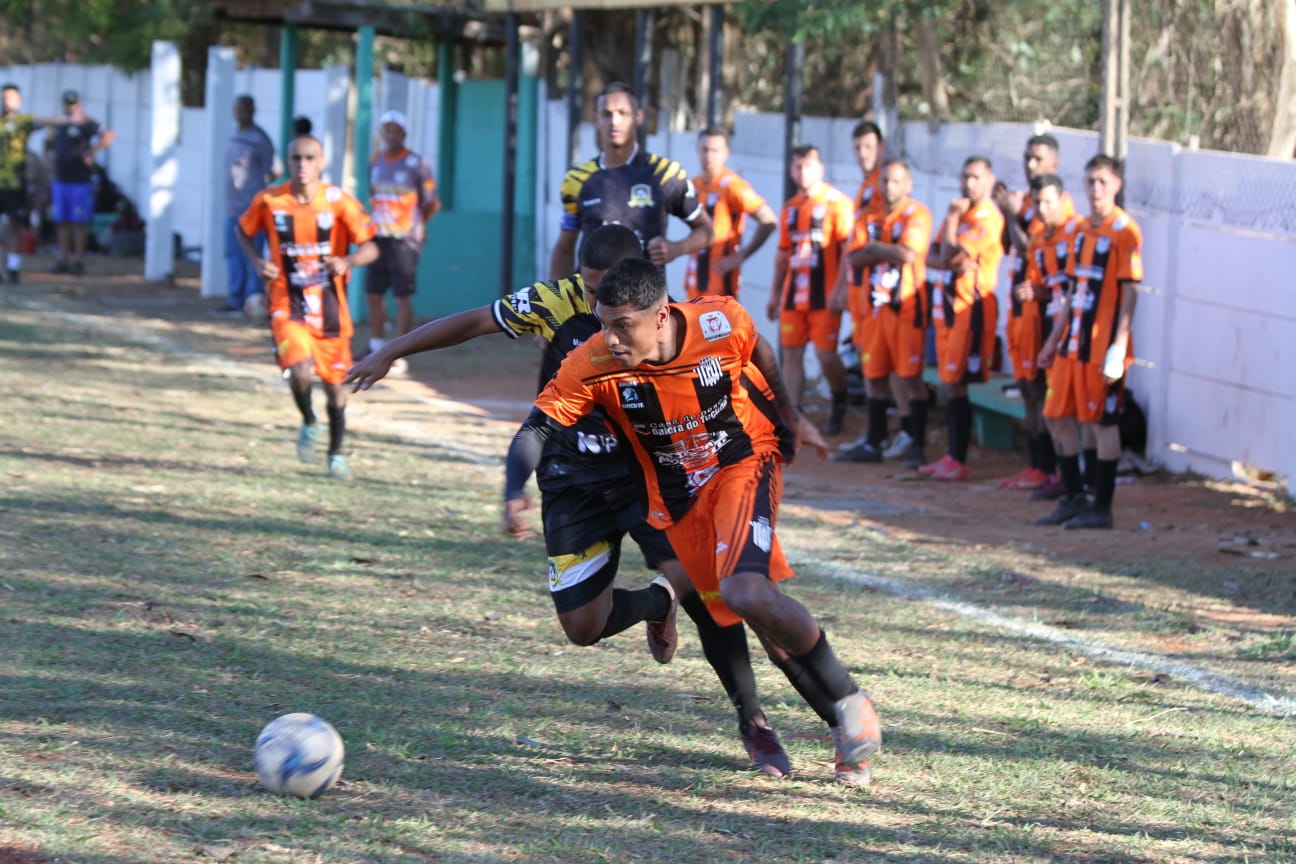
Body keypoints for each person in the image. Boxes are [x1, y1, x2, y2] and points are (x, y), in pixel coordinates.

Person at [345, 224, 796, 779]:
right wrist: (393, 347)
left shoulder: (669, 317)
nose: (593, 300)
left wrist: (782, 426)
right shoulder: (553, 302)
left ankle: (754, 723)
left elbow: (734, 364)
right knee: (583, 627)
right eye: (586, 286)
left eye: (605, 288)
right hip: (573, 477)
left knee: (712, 594)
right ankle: (657, 603)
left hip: (647, 474)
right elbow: (473, 322)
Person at [531, 257, 883, 786]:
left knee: (748, 595)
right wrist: (514, 485)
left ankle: (850, 705)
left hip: (742, 462)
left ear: (661, 314)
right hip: (675, 497)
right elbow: (539, 422)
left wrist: (791, 415)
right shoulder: (595, 358)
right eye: (602, 322)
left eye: (621, 324)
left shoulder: (718, 321)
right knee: (730, 612)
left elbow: (757, 348)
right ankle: (781, 723)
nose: (610, 337)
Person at [236, 135, 378, 481]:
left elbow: (371, 247)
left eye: (309, 158)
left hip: (331, 309)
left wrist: (347, 260)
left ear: (322, 161)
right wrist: (258, 261)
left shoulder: (338, 202)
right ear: (288, 161)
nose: (302, 165)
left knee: (336, 388)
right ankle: (309, 420)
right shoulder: (270, 199)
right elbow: (242, 231)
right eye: (296, 158)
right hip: (288, 302)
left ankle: (336, 453)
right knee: (300, 371)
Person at [1035, 155, 1143, 530]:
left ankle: (1103, 507)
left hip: (1102, 346)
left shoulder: (1124, 230)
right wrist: (1053, 340)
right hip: (1072, 344)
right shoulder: (1079, 229)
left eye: (1102, 182)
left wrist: (1119, 344)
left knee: (1102, 423)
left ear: (1116, 185)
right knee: (1055, 415)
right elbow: (1072, 291)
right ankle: (1074, 496)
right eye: (1090, 181)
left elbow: (1130, 292)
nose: (1095, 189)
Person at [548, 81, 711, 280]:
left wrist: (676, 248)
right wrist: (556, 304)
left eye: (622, 113)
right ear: (596, 119)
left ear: (638, 117)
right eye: (606, 114)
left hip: (644, 303)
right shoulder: (577, 179)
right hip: (590, 304)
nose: (614, 121)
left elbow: (706, 230)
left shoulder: (664, 174)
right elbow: (565, 247)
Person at [833, 158, 933, 469]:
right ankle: (874, 441)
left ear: (908, 184)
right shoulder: (868, 215)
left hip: (906, 309)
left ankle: (916, 444)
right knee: (874, 377)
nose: (889, 187)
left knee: (910, 378)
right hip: (872, 310)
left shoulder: (918, 214)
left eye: (896, 181)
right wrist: (883, 249)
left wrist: (874, 248)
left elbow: (908, 254)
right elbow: (853, 257)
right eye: (885, 181)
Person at [993, 133, 1075, 491]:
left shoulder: (1056, 209)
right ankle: (1037, 466)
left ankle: (1054, 468)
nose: (1030, 166)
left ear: (1054, 163)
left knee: (1044, 391)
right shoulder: (1025, 201)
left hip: (1046, 315)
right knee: (1027, 387)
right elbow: (1014, 246)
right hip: (1020, 308)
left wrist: (1011, 214)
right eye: (1027, 158)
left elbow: (1032, 250)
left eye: (1038, 159)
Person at [920, 155, 1004, 481]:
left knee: (957, 384)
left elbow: (950, 254)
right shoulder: (960, 215)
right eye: (965, 176)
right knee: (950, 385)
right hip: (948, 311)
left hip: (971, 312)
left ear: (989, 180)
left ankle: (958, 458)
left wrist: (952, 228)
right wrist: (950, 249)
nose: (968, 184)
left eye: (975, 177)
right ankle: (952, 456)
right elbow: (933, 256)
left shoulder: (985, 218)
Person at [766, 144, 854, 435]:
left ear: (820, 169)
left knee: (825, 356)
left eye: (807, 166)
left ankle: (840, 400)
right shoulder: (790, 208)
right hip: (794, 295)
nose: (802, 173)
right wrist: (775, 293)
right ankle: (794, 415)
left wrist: (840, 290)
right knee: (790, 354)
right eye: (797, 167)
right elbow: (782, 255)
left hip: (824, 295)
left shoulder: (836, 203)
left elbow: (847, 251)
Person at [364, 109, 440, 376]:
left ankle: (399, 352)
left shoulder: (417, 164)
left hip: (404, 240)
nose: (391, 133)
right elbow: (373, 195)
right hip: (378, 237)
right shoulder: (375, 162)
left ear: (404, 134)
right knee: (373, 293)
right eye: (387, 128)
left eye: (396, 129)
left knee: (401, 296)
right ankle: (375, 345)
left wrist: (419, 226)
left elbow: (431, 201)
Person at [684, 126, 777, 300]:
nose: (709, 155)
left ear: (726, 153)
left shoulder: (732, 185)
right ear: (697, 150)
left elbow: (769, 220)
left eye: (715, 150)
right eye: (705, 149)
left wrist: (740, 256)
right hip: (696, 275)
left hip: (721, 279)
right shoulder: (694, 184)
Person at [0, 84, 66, 285]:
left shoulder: (23, 121)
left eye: (11, 98)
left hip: (15, 183)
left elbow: (48, 121)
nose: (6, 101)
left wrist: (72, 118)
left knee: (15, 225)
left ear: (18, 101)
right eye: (4, 98)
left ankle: (13, 268)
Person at [219, 95, 278, 316]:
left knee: (252, 257)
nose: (239, 113)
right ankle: (235, 300)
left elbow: (271, 173)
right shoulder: (235, 137)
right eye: (236, 109)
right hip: (231, 208)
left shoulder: (259, 139)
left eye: (243, 109)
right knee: (232, 255)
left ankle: (253, 301)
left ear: (252, 111)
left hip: (250, 210)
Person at [50, 89, 114, 275]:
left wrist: (92, 151)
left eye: (74, 104)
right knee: (61, 221)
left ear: (80, 105)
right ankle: (63, 258)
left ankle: (79, 260)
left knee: (79, 222)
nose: (70, 107)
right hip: (61, 179)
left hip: (79, 180)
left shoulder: (87, 123)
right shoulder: (59, 124)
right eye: (67, 104)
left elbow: (109, 134)